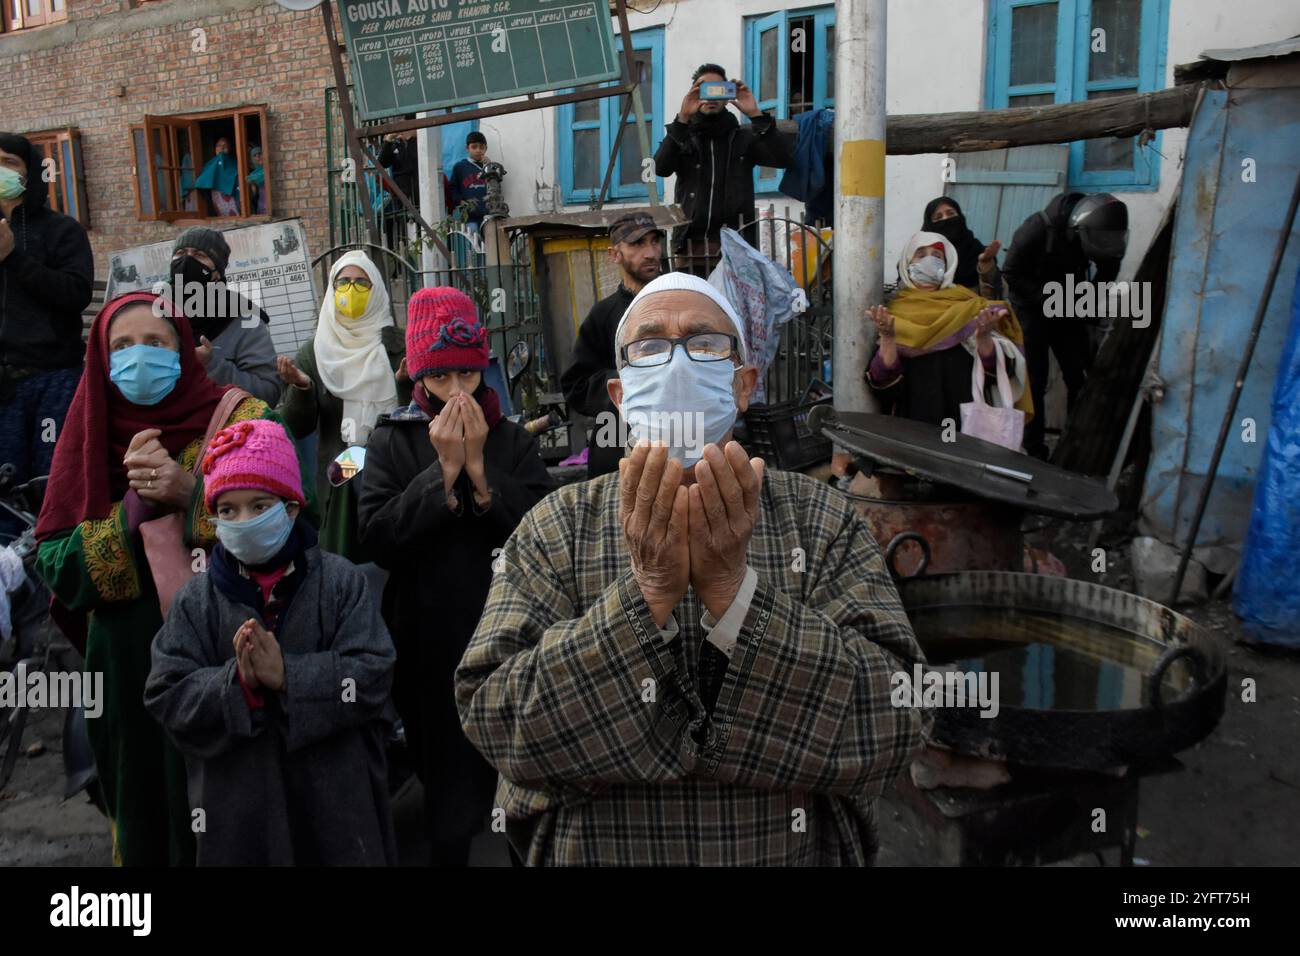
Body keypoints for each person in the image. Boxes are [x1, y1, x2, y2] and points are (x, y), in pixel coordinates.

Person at [455, 271, 927, 866]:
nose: (677, 364)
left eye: (704, 344)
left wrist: (735, 595)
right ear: (620, 392)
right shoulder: (558, 526)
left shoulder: (822, 518)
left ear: (743, 386)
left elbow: (898, 718)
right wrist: (647, 595)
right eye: (650, 347)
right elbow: (496, 719)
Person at [34, 291, 314, 866]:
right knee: (148, 815)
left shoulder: (242, 419)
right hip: (126, 667)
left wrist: (192, 498)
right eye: (124, 347)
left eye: (157, 344)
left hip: (231, 649)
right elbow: (56, 562)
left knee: (239, 808)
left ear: (185, 349)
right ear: (101, 359)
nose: (141, 358)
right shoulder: (88, 432)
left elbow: (293, 528)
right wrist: (130, 514)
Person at [144, 419, 397, 866]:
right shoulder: (195, 602)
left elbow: (374, 672)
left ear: (293, 507)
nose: (244, 521)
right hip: (239, 820)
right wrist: (235, 683)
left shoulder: (339, 583)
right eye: (229, 510)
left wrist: (291, 677)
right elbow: (166, 694)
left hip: (339, 813)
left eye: (260, 505)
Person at [358, 287, 552, 866]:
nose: (458, 393)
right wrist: (441, 476)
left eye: (468, 376)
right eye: (442, 379)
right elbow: (377, 538)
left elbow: (544, 532)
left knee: (520, 777)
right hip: (428, 644)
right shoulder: (392, 441)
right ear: (421, 379)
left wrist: (483, 480)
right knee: (446, 784)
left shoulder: (513, 440)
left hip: (511, 639)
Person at [277, 251, 407, 559]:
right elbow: (297, 426)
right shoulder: (317, 350)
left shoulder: (397, 346)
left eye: (362, 282)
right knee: (346, 562)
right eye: (343, 282)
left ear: (376, 290)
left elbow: (418, 412)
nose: (351, 290)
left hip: (395, 469)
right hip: (344, 477)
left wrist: (404, 383)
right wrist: (302, 387)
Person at [0, 132, 93, 539]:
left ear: (29, 171)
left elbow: (75, 293)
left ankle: (56, 566)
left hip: (52, 377)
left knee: (51, 479)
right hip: (2, 381)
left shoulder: (61, 230)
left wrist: (13, 258)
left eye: (8, 162)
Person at [1001, 192, 1128, 459]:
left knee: (1080, 375)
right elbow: (1011, 272)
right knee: (1034, 379)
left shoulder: (1102, 234)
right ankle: (1035, 450)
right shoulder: (1035, 229)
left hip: (1067, 305)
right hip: (1032, 306)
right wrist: (1046, 297)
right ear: (1077, 229)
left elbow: (1107, 270)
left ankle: (1077, 442)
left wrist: (1086, 304)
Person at [866, 231, 1031, 429]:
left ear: (948, 264)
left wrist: (984, 339)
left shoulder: (970, 306)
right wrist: (888, 338)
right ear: (907, 264)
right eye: (921, 255)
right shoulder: (893, 312)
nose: (929, 260)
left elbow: (998, 373)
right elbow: (882, 383)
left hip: (963, 422)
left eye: (937, 256)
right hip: (913, 424)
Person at [653, 64, 792, 276]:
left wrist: (756, 114)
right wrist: (682, 119)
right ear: (694, 95)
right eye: (704, 90)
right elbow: (661, 168)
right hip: (690, 245)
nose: (711, 97)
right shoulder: (683, 137)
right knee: (696, 307)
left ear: (728, 96)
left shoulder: (743, 137)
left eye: (719, 90)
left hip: (737, 245)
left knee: (731, 308)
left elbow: (782, 158)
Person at [560, 211, 664, 479]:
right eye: (638, 244)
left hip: (679, 433)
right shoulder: (603, 315)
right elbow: (576, 386)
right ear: (614, 254)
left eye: (654, 241)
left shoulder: (681, 303)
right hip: (617, 442)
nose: (651, 252)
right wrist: (627, 381)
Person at [166, 226, 282, 405]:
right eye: (180, 253)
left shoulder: (245, 321)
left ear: (217, 273)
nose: (187, 260)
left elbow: (268, 394)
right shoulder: (153, 313)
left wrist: (211, 364)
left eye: (199, 255)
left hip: (226, 429)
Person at [921, 197, 1002, 295]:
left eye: (951, 214)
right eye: (938, 217)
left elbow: (994, 294)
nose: (946, 219)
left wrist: (986, 265)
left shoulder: (976, 250)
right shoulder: (920, 254)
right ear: (929, 225)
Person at [449, 131, 488, 228]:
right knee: (472, 240)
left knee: (489, 241)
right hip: (469, 216)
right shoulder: (460, 167)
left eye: (481, 147)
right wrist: (460, 201)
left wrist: (489, 167)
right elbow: (453, 188)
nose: (478, 150)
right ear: (467, 148)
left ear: (485, 148)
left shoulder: (488, 167)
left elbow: (496, 184)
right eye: (474, 147)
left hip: (487, 215)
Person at [193, 137, 240, 217]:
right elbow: (200, 182)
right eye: (219, 145)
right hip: (217, 199)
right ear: (215, 149)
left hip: (233, 200)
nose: (221, 148)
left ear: (230, 149)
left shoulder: (236, 164)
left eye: (225, 146)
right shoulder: (210, 164)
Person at [247, 145, 267, 215]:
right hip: (261, 204)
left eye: (260, 154)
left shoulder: (269, 168)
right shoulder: (252, 175)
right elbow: (253, 195)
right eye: (254, 155)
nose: (258, 157)